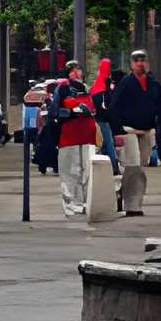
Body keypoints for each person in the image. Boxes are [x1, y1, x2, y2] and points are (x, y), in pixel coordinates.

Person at [51, 62, 99, 217]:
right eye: (72, 70)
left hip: (87, 136)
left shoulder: (86, 88)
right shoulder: (63, 89)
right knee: (70, 172)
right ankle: (71, 203)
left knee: (87, 171)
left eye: (77, 69)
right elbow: (55, 111)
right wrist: (73, 112)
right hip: (69, 136)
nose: (75, 73)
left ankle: (84, 202)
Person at [109, 49, 161, 167]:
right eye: (137, 61)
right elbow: (115, 106)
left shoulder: (154, 84)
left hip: (147, 130)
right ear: (132, 64)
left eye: (143, 60)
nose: (140, 63)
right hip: (129, 130)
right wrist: (117, 128)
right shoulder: (125, 83)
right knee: (133, 164)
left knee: (143, 164)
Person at [89, 57, 119, 164]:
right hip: (107, 117)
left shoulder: (97, 84)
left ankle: (108, 159)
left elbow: (94, 100)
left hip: (100, 116)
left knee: (106, 139)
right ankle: (113, 162)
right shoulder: (109, 83)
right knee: (108, 139)